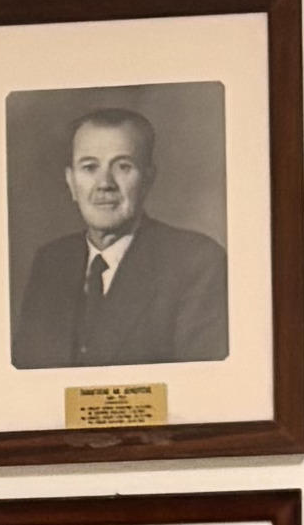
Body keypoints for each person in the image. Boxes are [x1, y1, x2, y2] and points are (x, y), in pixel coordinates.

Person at [12, 102, 231, 366]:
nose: (105, 184)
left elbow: (202, 382)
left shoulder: (196, 263)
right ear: (71, 182)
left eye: (123, 166)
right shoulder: (51, 261)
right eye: (89, 167)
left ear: (148, 179)